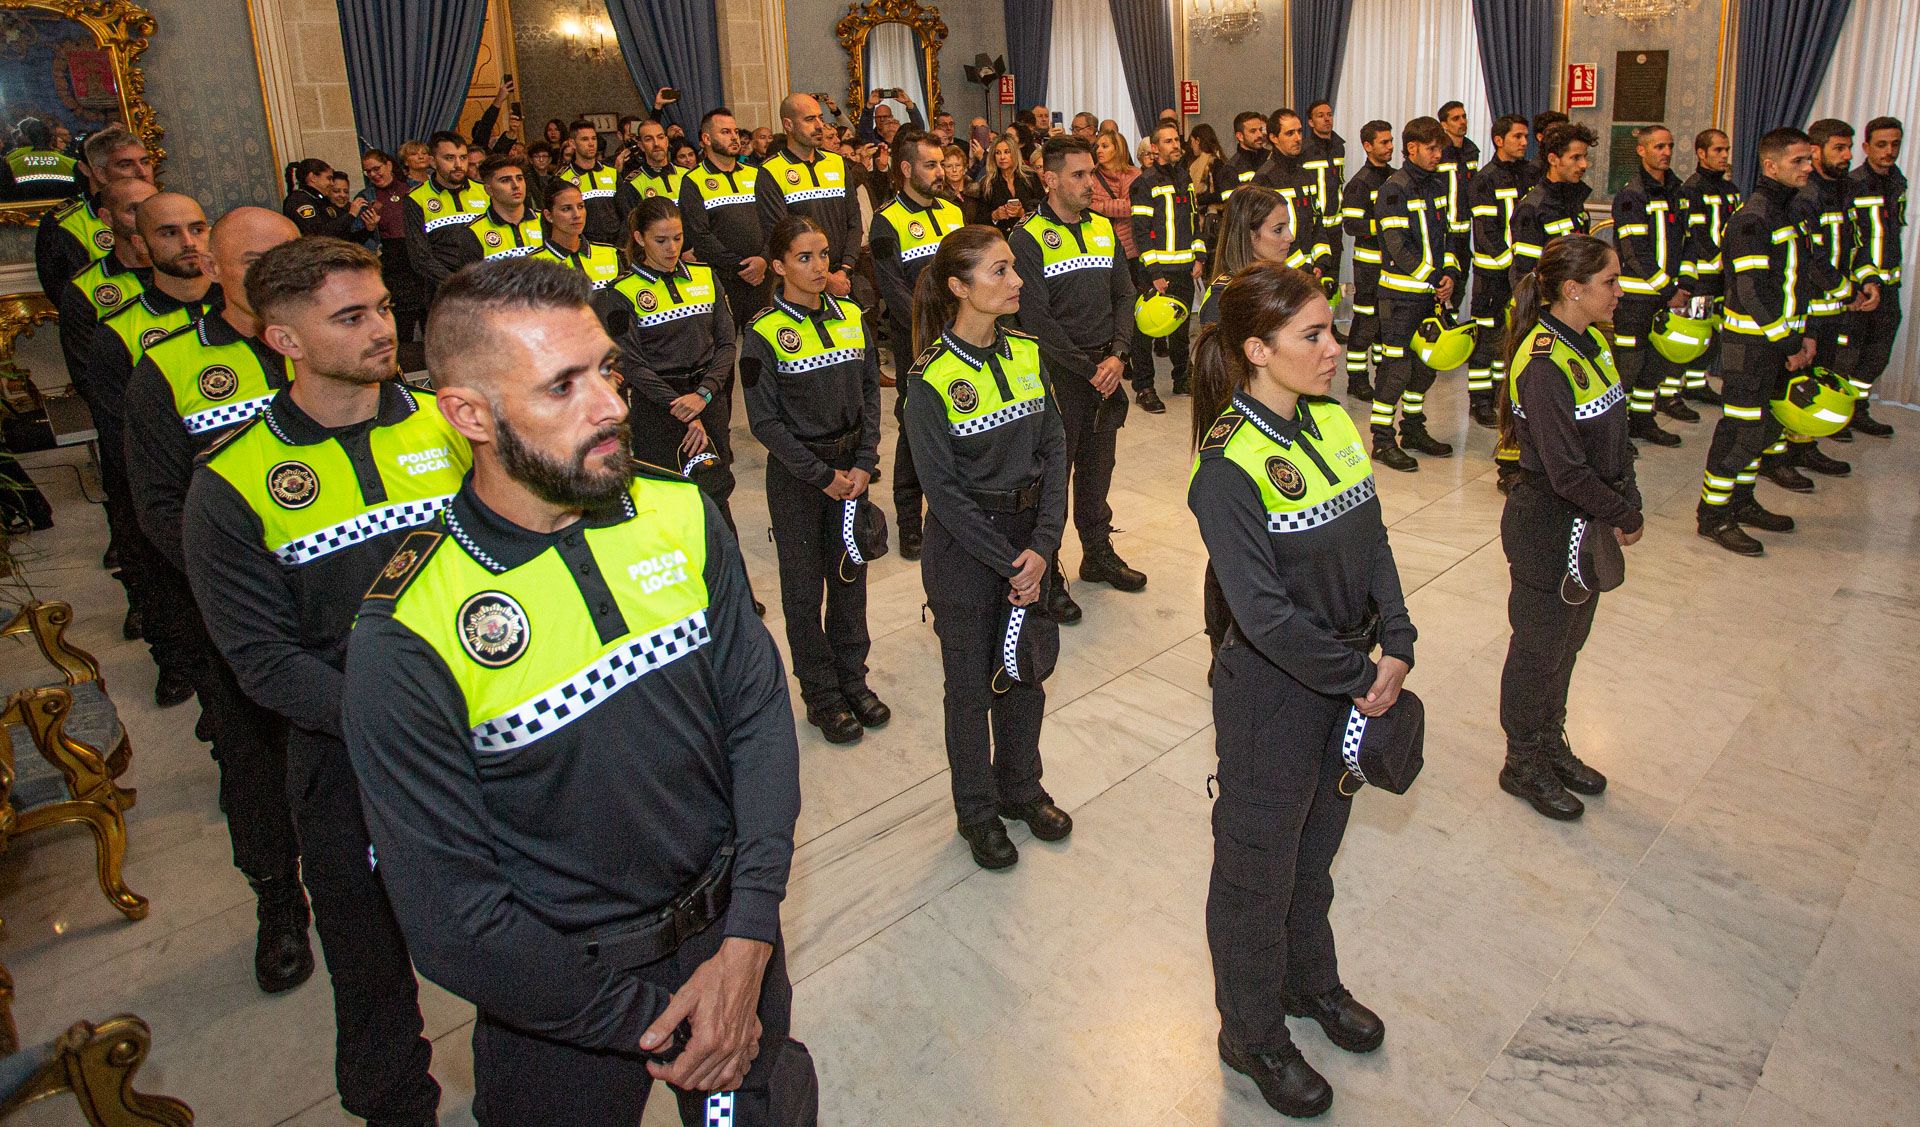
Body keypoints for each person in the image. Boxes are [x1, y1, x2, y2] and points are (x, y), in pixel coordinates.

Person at [338, 253, 810, 1125]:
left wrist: (747, 936)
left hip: (730, 932)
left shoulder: (677, 510)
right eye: (562, 387)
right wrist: (658, 1027)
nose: (610, 407)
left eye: (606, 370)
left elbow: (756, 716)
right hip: (559, 1004)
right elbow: (454, 917)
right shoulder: (408, 632)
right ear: (468, 414)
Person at [183, 238, 461, 1126]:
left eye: (382, 306)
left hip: (487, 734)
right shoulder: (233, 482)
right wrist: (396, 723)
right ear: (285, 339)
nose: (384, 327)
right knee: (372, 970)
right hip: (350, 763)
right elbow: (261, 663)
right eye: (353, 316)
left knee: (524, 939)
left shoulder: (445, 422)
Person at [1188, 263, 1412, 1121]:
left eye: (1332, 331)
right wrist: (1363, 675)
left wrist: (1399, 635)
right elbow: (1268, 618)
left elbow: (1374, 535)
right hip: (1275, 698)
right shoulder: (1227, 464)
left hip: (1347, 682)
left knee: (1314, 852)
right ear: (1256, 350)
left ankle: (1307, 981)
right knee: (1256, 870)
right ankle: (1249, 1031)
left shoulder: (1333, 423)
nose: (1332, 349)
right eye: (1312, 335)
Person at [121, 206, 309, 995]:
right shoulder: (168, 368)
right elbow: (158, 506)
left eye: (290, 259)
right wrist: (250, 586)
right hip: (241, 617)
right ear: (217, 266)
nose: (276, 277)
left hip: (348, 606)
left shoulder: (336, 351)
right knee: (255, 766)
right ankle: (279, 906)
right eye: (256, 259)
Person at [902, 225, 1073, 870]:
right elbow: (942, 493)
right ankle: (976, 811)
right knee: (970, 689)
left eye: (1013, 269)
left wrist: (1044, 546)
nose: (1017, 280)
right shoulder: (930, 377)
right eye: (999, 271)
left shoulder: (1028, 351)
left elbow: (1055, 449)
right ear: (959, 287)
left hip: (1031, 543)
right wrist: (1010, 563)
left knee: (1026, 676)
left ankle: (1021, 789)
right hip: (969, 557)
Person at [1495, 234, 1637, 821]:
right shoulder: (1544, 361)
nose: (1620, 292)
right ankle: (1521, 760)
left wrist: (1627, 490)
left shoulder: (1593, 343)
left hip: (1588, 517)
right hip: (1548, 524)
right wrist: (1620, 511)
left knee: (1569, 642)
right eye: (1610, 282)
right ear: (1572, 290)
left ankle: (1551, 740)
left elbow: (1612, 434)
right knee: (1538, 648)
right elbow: (1564, 468)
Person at [742, 216, 889, 745]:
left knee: (850, 582)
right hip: (802, 481)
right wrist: (821, 475)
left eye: (824, 255)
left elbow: (872, 392)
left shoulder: (852, 315)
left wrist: (865, 461)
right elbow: (765, 423)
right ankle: (822, 695)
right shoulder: (762, 333)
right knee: (804, 592)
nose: (819, 266)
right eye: (805, 258)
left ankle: (854, 680)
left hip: (852, 472)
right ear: (778, 267)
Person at [84, 192, 217, 704]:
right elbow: (127, 449)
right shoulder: (121, 334)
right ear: (139, 243)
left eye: (198, 228)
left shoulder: (254, 319)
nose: (188, 242)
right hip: (178, 506)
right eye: (169, 232)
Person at [1010, 136, 1143, 623]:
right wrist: (1091, 370)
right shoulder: (1026, 238)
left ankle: (1097, 553)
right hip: (1061, 376)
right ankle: (1048, 575)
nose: (1093, 183)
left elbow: (1125, 295)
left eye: (1093, 173)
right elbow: (1037, 320)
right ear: (1050, 179)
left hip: (1106, 367)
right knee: (1053, 478)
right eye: (1080, 175)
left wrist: (1119, 355)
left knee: (1098, 467)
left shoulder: (1105, 229)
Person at [1696, 128, 1817, 555]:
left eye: (1808, 160)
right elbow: (1751, 294)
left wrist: (1805, 336)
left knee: (1762, 429)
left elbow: (1796, 283)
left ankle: (1742, 501)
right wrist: (1789, 344)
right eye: (1799, 161)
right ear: (1771, 165)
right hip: (1750, 347)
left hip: (1780, 342)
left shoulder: (1792, 211)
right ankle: (1713, 515)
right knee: (1740, 431)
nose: (1808, 167)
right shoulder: (1754, 217)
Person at [1192, 185, 1296, 662]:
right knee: (1233, 557)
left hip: (1274, 444)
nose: (1289, 237)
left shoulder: (1269, 288)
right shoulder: (1226, 301)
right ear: (1250, 237)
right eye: (1278, 229)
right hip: (1241, 454)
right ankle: (1225, 651)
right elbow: (1223, 399)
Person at [596, 197, 741, 535]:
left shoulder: (706, 278)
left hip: (709, 400)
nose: (672, 247)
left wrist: (703, 396)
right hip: (659, 408)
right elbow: (631, 362)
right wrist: (682, 408)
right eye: (661, 240)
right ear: (639, 239)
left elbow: (726, 343)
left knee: (716, 495)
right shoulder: (621, 292)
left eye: (677, 237)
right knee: (667, 503)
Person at [870, 129, 965, 559]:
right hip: (918, 343)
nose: (941, 171)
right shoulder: (886, 221)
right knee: (914, 432)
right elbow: (894, 290)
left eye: (942, 163)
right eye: (931, 165)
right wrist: (935, 329)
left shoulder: (953, 212)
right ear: (907, 169)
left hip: (962, 336)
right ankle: (910, 524)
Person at [1500, 122, 1596, 491]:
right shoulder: (1534, 208)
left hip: (1570, 312)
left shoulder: (1573, 201)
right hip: (1540, 313)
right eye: (1575, 157)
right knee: (1521, 387)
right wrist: (1538, 318)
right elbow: (1525, 272)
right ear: (1553, 159)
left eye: (1585, 156)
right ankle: (1510, 462)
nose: (1583, 164)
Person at [1369, 116, 1460, 473]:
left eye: (1441, 148)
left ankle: (1413, 429)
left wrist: (1449, 273)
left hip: (1428, 296)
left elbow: (1448, 237)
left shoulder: (1437, 186)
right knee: (1395, 369)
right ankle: (1382, 439)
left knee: (1424, 369)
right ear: (1413, 148)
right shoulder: (1395, 188)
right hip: (1398, 298)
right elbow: (1397, 247)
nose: (1438, 155)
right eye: (1432, 148)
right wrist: (1433, 276)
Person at [1786, 118, 1869, 471]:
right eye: (1839, 148)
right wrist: (1846, 290)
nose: (1847, 156)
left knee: (1822, 377)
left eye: (1849, 148)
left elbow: (1858, 242)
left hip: (1839, 306)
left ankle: (1805, 444)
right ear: (1815, 151)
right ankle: (1784, 454)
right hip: (1811, 308)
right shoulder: (1806, 197)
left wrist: (1867, 281)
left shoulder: (1846, 190)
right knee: (1798, 383)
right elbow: (1811, 259)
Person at [1610, 124, 1692, 449]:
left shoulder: (1678, 191)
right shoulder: (1631, 195)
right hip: (1634, 299)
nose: (1666, 152)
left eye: (1669, 145)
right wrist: (1667, 289)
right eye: (1658, 146)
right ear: (1641, 150)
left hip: (1667, 297)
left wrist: (1685, 283)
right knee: (1628, 367)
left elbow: (1689, 242)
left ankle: (1642, 421)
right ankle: (1614, 433)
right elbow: (1634, 251)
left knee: (1654, 366)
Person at [757, 95, 864, 300]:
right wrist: (827, 278)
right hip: (801, 285)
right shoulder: (771, 170)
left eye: (820, 118)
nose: (819, 126)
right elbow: (780, 236)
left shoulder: (836, 163)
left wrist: (845, 269)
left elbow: (854, 221)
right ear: (788, 125)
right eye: (809, 119)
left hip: (846, 277)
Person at [35, 125, 154, 305]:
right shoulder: (66, 224)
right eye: (126, 165)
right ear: (99, 173)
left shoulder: (168, 208)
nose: (142, 172)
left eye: (145, 162)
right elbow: (70, 300)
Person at [1464, 114, 1531, 429]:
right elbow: (1487, 233)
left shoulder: (1530, 175)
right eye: (1517, 137)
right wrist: (1511, 265)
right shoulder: (1484, 179)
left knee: (1514, 336)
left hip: (1522, 276)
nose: (1523, 143)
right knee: (1486, 339)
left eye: (1525, 137)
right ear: (1499, 140)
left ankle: (1501, 396)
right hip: (1492, 275)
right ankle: (1479, 401)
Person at [1132, 122, 1207, 401]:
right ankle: (1144, 386)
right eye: (1168, 141)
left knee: (1180, 327)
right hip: (1157, 272)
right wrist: (1154, 272)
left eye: (1177, 140)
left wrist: (1199, 256)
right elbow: (1140, 232)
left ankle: (1182, 378)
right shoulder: (1144, 182)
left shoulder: (1185, 177)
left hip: (1185, 269)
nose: (1175, 145)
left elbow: (1193, 222)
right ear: (1155, 148)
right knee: (1146, 329)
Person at [680, 107, 771, 334]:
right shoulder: (693, 181)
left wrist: (763, 259)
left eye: (735, 131)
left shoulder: (756, 174)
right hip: (723, 279)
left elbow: (774, 222)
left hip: (762, 276)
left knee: (762, 346)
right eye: (725, 132)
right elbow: (699, 235)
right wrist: (740, 267)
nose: (734, 137)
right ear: (706, 139)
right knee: (725, 347)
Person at [1845, 116, 1904, 437]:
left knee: (1879, 351)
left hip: (1890, 285)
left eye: (1895, 144)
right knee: (1849, 352)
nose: (1889, 151)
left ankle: (1857, 408)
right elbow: (1850, 241)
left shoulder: (1898, 181)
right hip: (1860, 285)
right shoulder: (1853, 184)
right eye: (1882, 144)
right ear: (1866, 147)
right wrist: (1860, 283)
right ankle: (1839, 413)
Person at [1086, 130, 1150, 410]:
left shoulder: (1134, 175)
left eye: (1105, 145)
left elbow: (1134, 207)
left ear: (1118, 148)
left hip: (1133, 250)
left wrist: (1104, 206)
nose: (1099, 150)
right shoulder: (1091, 176)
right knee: (1108, 307)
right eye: (1097, 146)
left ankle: (1133, 361)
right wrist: (1113, 207)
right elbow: (1092, 207)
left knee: (1131, 307)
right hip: (1104, 249)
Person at [1678, 128, 1739, 406]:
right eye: (1718, 150)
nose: (1724, 156)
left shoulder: (1731, 190)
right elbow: (1697, 234)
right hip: (1703, 274)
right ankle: (1675, 390)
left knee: (1714, 333)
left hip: (1725, 277)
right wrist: (1720, 263)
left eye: (1726, 150)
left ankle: (1697, 382)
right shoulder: (1692, 188)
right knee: (1694, 332)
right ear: (1701, 153)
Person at [1341, 121, 1395, 405]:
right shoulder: (1359, 184)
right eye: (1383, 142)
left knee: (1387, 324)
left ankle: (1382, 374)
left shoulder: (1397, 178)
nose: (1389, 147)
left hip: (1393, 268)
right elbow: (1351, 225)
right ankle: (1356, 380)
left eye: (1390, 141)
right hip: (1368, 268)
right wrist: (1385, 226)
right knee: (1364, 324)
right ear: (1367, 146)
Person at [403, 130, 490, 299]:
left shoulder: (485, 191)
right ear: (433, 162)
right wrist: (456, 284)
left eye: (463, 158)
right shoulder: (416, 198)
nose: (458, 165)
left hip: (486, 287)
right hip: (445, 292)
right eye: (449, 158)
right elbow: (420, 257)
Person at [431, 152, 545, 270]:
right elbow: (473, 283)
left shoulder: (546, 222)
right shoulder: (473, 232)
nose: (516, 185)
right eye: (505, 180)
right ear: (488, 190)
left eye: (519, 178)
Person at [359, 149, 426, 340]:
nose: (374, 174)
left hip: (418, 255)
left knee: (427, 315)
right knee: (401, 322)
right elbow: (358, 237)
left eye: (377, 168)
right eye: (368, 171)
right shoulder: (366, 197)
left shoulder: (414, 188)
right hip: (391, 262)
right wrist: (369, 228)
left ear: (388, 165)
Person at [1256, 109, 1329, 276]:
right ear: (1274, 138)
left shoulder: (1306, 175)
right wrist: (1300, 266)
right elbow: (1266, 234)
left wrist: (1322, 261)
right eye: (1290, 133)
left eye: (1300, 132)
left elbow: (1317, 223)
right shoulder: (1264, 178)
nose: (1298, 138)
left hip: (1309, 271)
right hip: (1279, 271)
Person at [534, 181, 623, 289]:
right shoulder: (534, 264)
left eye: (580, 206)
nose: (577, 215)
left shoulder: (610, 253)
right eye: (566, 209)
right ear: (548, 216)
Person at [557, 119, 625, 244]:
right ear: (572, 143)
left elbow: (626, 213)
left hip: (616, 245)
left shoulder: (612, 173)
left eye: (593, 138)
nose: (591, 143)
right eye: (584, 139)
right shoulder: (563, 179)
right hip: (584, 245)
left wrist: (622, 241)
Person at [1300, 101, 1347, 282]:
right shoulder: (1304, 149)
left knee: (1332, 279)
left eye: (1329, 114)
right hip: (1313, 227)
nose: (1327, 119)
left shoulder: (1339, 147)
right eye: (1320, 116)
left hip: (1335, 227)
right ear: (1311, 122)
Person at [1437, 100, 1479, 280]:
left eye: (1464, 117)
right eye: (1456, 118)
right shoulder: (1438, 152)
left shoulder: (1471, 150)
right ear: (1444, 125)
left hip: (1465, 231)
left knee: (1460, 282)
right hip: (1442, 232)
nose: (1462, 121)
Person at [616, 118, 688, 219]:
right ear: (640, 145)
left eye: (660, 137)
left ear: (667, 142)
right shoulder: (632, 184)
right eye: (648, 139)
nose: (656, 143)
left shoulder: (687, 175)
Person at [282, 158, 370, 239]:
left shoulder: (322, 200)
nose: (332, 183)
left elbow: (344, 239)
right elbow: (318, 235)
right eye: (329, 178)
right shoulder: (300, 200)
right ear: (313, 178)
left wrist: (368, 229)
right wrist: (351, 215)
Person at [980, 136, 1044, 234]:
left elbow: (1043, 208)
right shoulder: (987, 183)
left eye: (1007, 152)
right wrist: (995, 215)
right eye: (998, 153)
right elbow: (979, 219)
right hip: (1000, 238)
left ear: (1014, 153)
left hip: (1030, 235)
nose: (1002, 157)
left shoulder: (1030, 177)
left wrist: (1022, 213)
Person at [1222, 111, 1270, 202]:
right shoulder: (1231, 169)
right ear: (1240, 136)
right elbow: (1233, 207)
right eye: (1253, 131)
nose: (1260, 135)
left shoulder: (1271, 158)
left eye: (1260, 130)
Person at [1524, 111, 1569, 192]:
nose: (1563, 138)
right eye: (1557, 133)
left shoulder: (1569, 165)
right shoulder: (1533, 171)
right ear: (1540, 137)